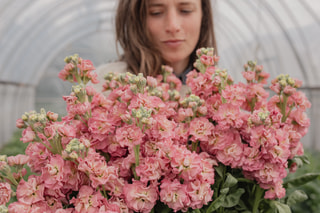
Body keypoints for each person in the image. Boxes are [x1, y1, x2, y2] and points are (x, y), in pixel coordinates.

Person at [93, 0, 217, 95]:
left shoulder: (218, 89)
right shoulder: (107, 85)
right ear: (136, 19)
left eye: (186, 10)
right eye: (156, 13)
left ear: (203, 15)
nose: (173, 26)